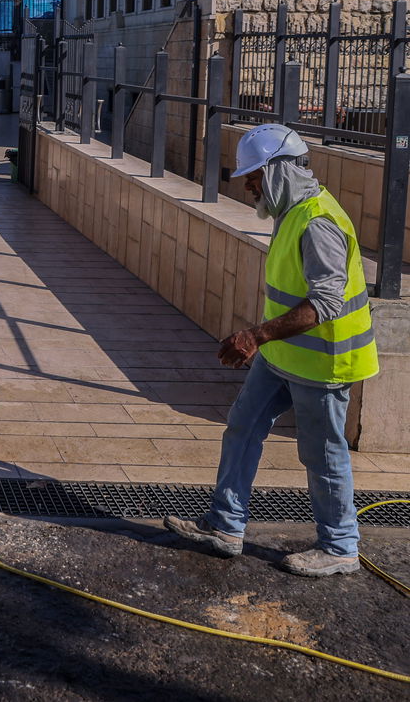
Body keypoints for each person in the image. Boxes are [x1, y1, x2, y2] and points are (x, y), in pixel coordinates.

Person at [165, 124, 378, 577]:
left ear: (279, 172)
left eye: (254, 176)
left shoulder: (319, 222)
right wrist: (262, 342)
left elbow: (324, 304)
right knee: (242, 425)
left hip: (324, 362)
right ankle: (225, 525)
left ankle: (340, 546)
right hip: (284, 356)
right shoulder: (291, 210)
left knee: (322, 453)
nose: (247, 186)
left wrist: (255, 336)